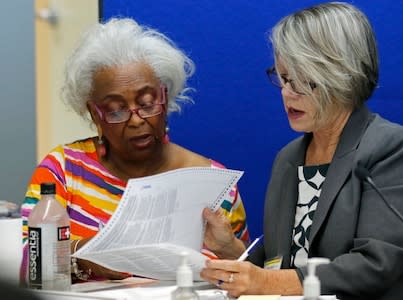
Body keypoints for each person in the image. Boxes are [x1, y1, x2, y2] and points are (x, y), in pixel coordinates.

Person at [201, 2, 403, 299]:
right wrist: (230, 249)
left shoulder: (394, 148)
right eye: (284, 78)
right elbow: (284, 265)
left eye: (301, 81)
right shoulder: (289, 159)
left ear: (342, 76)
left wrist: (267, 283)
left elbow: (375, 264)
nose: (287, 92)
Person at [20, 18, 249, 282]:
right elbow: (29, 269)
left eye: (148, 103)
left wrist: (230, 250)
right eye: (116, 110)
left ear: (166, 97)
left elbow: (248, 277)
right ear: (94, 114)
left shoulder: (214, 182)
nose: (137, 120)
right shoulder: (62, 169)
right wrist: (84, 257)